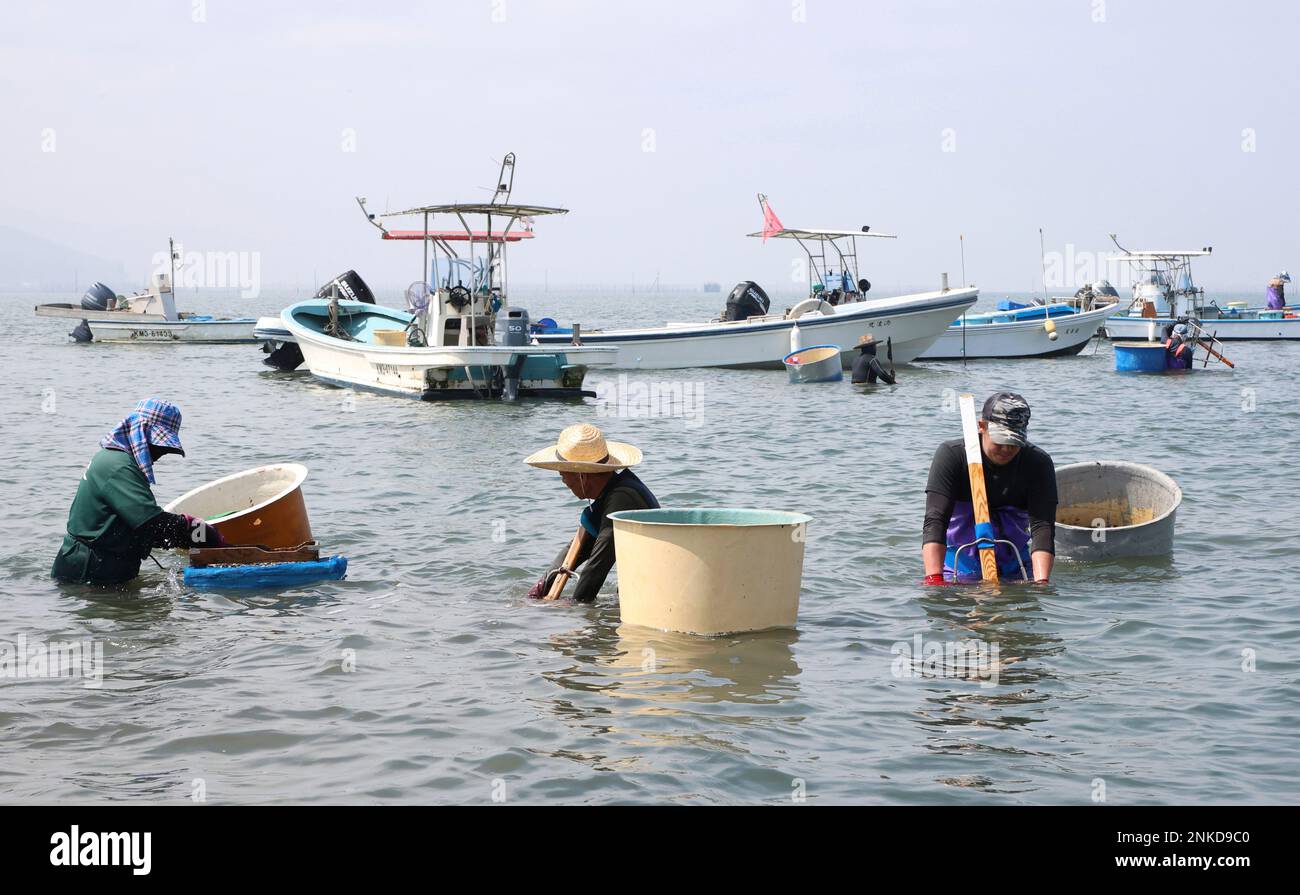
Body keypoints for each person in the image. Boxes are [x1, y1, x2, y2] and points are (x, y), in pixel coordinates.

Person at [52, 399, 225, 586]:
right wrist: (199, 531)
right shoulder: (119, 467)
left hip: (98, 567)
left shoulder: (113, 459)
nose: (161, 454)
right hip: (88, 574)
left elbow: (140, 528)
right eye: (160, 447)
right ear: (142, 434)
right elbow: (152, 525)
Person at [922, 392, 1056, 584]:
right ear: (982, 426)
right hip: (960, 565)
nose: (1007, 449)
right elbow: (935, 521)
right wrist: (934, 579)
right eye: (1000, 441)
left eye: (1014, 442)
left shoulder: (1037, 463)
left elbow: (1042, 527)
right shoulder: (952, 457)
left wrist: (1041, 583)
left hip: (1016, 564)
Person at [524, 423, 658, 602]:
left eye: (563, 473)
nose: (562, 479)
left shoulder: (621, 498)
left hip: (655, 593)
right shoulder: (610, 493)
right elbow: (574, 552)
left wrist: (575, 605)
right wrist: (538, 590)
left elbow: (597, 567)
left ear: (582, 475)